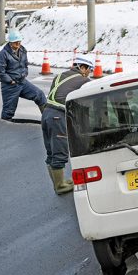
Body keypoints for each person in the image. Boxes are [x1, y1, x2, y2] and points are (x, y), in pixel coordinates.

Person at [41, 55, 94, 195]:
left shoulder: (60, 76)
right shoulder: (83, 81)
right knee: (60, 150)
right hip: (58, 116)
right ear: (82, 67)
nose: (89, 73)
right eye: (90, 70)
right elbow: (85, 105)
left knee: (51, 151)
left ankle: (58, 183)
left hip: (47, 114)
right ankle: (60, 186)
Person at [0, 29, 46, 121]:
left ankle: (47, 120)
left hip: (22, 82)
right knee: (8, 111)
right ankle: (4, 128)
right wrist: (10, 81)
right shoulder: (3, 54)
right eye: (16, 43)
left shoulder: (23, 50)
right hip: (10, 86)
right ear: (10, 43)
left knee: (40, 95)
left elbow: (25, 64)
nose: (18, 44)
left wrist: (25, 73)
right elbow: (0, 71)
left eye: (19, 42)